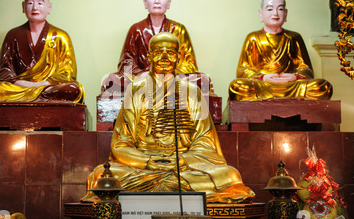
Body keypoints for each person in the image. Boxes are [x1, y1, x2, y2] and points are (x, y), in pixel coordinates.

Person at [83, 32, 255, 204]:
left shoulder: (192, 91)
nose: (164, 57)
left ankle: (160, 186)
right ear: (149, 56)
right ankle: (173, 186)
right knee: (101, 176)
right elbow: (121, 143)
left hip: (183, 165)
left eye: (170, 52)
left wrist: (182, 160)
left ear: (179, 57)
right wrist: (147, 162)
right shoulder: (134, 90)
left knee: (230, 175)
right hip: (143, 165)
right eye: (158, 52)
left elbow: (205, 140)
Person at [101, 0, 214, 97]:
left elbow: (189, 63)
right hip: (144, 77)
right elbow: (126, 61)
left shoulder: (179, 29)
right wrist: (142, 74)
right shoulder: (136, 29)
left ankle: (162, 83)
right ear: (145, 2)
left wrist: (169, 73)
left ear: (168, 2)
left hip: (173, 77)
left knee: (203, 79)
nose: (157, 1)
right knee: (111, 80)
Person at [0, 0, 85, 103]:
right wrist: (23, 84)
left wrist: (44, 84)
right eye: (30, 2)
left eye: (40, 2)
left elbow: (68, 73)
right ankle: (38, 98)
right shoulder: (13, 34)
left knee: (73, 89)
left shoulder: (60, 36)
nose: (35, 7)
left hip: (48, 87)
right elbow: (3, 70)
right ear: (23, 7)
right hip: (19, 87)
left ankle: (35, 96)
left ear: (49, 7)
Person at [229, 0, 333, 101]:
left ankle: (270, 97)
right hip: (263, 84)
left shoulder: (294, 37)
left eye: (280, 9)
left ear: (286, 13)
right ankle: (266, 95)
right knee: (237, 86)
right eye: (270, 9)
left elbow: (306, 68)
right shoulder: (253, 37)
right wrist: (263, 77)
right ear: (261, 14)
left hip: (290, 85)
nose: (275, 13)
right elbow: (242, 69)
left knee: (323, 86)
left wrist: (294, 77)